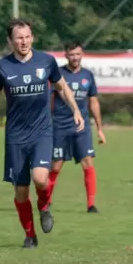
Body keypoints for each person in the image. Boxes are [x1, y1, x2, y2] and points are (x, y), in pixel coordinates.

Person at [0, 18, 84, 248]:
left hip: (42, 132)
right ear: (10, 41)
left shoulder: (46, 61)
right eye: (19, 38)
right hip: (15, 136)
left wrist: (75, 110)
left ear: (33, 37)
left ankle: (45, 205)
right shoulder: (2, 67)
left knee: (40, 178)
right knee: (20, 190)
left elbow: (62, 87)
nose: (24, 41)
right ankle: (30, 235)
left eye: (27, 36)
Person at [45, 41, 106, 213]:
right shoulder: (58, 75)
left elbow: (93, 101)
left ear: (82, 54)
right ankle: (46, 200)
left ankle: (91, 204)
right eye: (71, 54)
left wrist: (100, 128)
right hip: (59, 126)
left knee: (88, 162)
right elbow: (50, 102)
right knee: (56, 165)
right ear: (65, 55)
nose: (75, 57)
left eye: (78, 54)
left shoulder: (88, 76)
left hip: (82, 128)